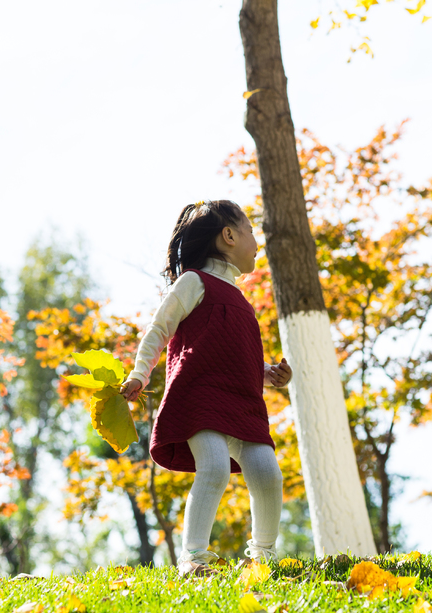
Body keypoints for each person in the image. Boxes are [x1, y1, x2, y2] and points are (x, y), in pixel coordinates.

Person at [120, 200, 292, 575]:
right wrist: (139, 373)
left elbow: (233, 354)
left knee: (267, 473)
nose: (255, 239)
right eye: (249, 230)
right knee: (213, 467)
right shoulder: (194, 282)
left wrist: (267, 373)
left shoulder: (242, 301)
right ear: (228, 236)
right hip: (200, 397)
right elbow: (158, 330)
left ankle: (263, 555)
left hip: (243, 403)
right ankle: (193, 560)